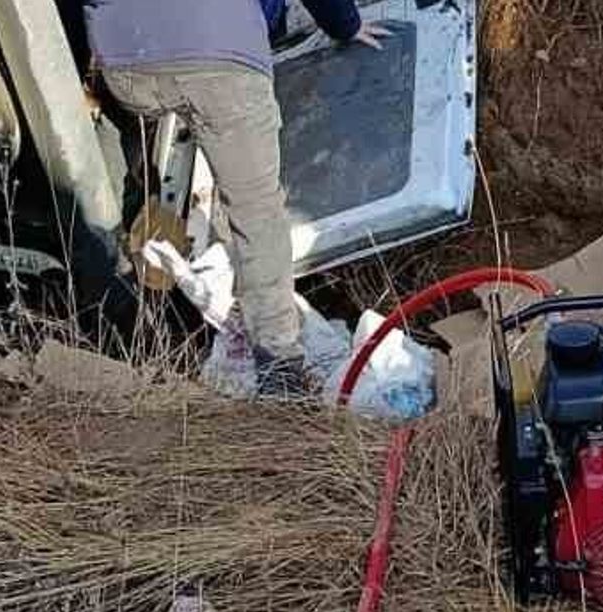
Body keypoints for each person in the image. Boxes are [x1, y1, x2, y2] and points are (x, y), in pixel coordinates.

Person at [84, 1, 390, 398]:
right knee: (256, 208)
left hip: (127, 67)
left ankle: (134, 282)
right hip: (219, 56)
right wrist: (345, 24)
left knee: (167, 108)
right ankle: (280, 366)